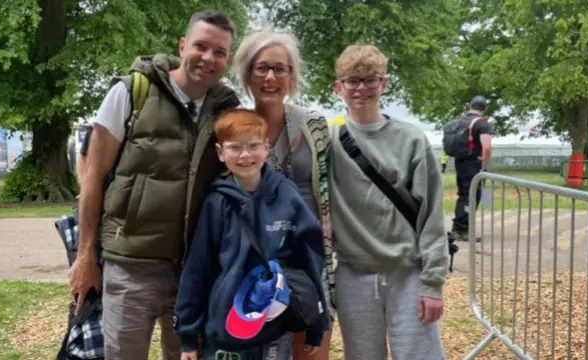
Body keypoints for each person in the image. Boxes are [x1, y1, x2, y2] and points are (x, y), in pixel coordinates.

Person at [67, 10, 240, 360]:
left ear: (228, 60)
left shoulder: (226, 109)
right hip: (131, 265)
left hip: (194, 271)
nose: (208, 58)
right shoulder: (133, 91)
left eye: (219, 52)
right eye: (201, 46)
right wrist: (86, 255)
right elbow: (93, 179)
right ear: (182, 45)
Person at [174, 108, 329, 360]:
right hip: (226, 330)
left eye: (253, 146)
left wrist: (316, 323)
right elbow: (197, 269)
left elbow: (310, 260)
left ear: (266, 148)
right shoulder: (216, 203)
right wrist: (188, 336)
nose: (245, 155)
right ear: (220, 153)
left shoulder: (288, 196)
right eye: (234, 147)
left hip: (275, 326)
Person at [327, 44, 447, 360]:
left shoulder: (412, 140)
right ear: (339, 86)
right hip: (354, 272)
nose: (361, 88)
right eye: (352, 80)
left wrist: (432, 283)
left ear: (384, 83)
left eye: (370, 80)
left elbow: (432, 214)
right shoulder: (328, 140)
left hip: (407, 272)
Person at [231, 30, 336, 360]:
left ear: (292, 76)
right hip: (258, 258)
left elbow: (330, 190)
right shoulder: (236, 127)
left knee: (311, 345)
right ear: (248, 74)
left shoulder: (314, 125)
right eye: (261, 68)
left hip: (309, 253)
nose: (271, 77)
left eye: (280, 69)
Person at [449, 95, 493, 242]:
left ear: (470, 105)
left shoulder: (461, 121)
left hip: (460, 162)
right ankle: (461, 229)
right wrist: (484, 165)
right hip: (474, 164)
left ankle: (459, 227)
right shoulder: (482, 124)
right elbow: (486, 147)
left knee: (464, 195)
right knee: (472, 196)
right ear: (485, 108)